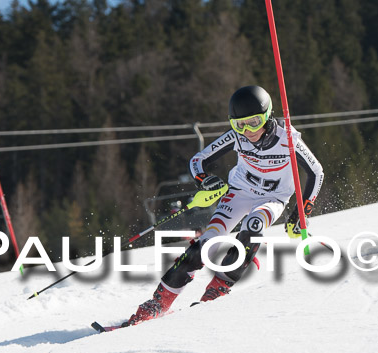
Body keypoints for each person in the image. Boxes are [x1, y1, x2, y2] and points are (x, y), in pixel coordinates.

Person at [124, 85, 324, 326]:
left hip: (272, 198)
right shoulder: (237, 137)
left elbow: (316, 172)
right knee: (205, 245)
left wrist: (302, 211)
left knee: (252, 227)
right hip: (240, 192)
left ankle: (217, 288)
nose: (247, 131)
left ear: (268, 115)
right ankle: (159, 301)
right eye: (239, 124)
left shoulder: (288, 139)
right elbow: (198, 160)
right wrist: (203, 179)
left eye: (253, 122)